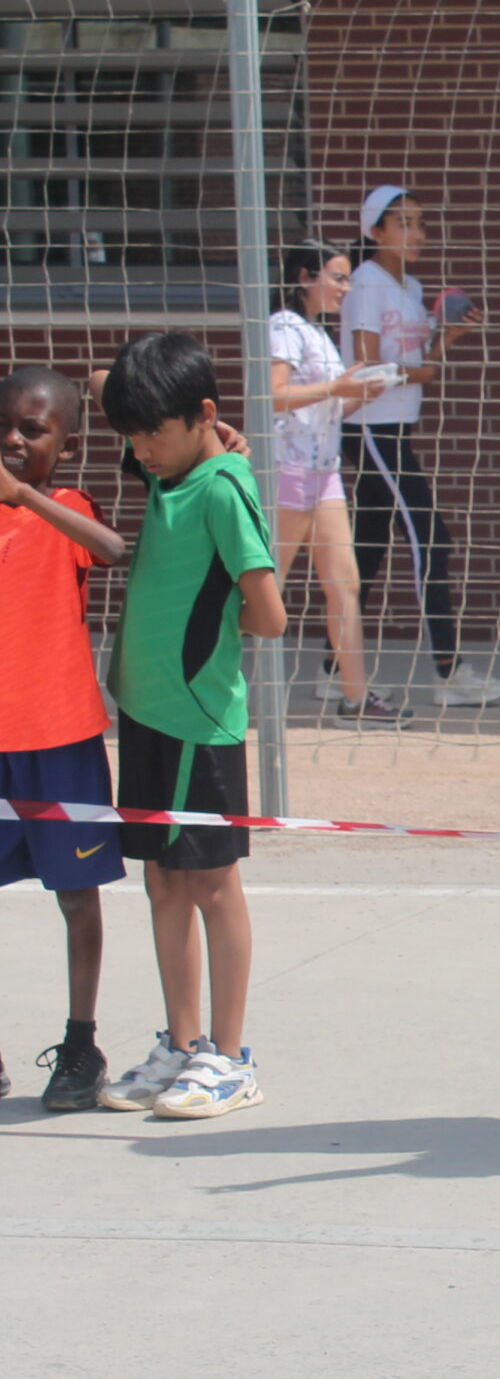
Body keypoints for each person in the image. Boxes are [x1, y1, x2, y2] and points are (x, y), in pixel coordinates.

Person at [89, 333, 286, 1120]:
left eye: (154, 432)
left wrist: (208, 633)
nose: (140, 449)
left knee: (212, 881)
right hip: (144, 713)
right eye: (131, 434)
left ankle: (231, 1059)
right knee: (162, 878)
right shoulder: (166, 467)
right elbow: (100, 379)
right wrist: (190, 421)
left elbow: (269, 614)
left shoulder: (222, 488)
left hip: (199, 722)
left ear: (200, 414)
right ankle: (181, 1042)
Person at [0, 365, 126, 1111]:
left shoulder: (67, 508)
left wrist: (25, 496)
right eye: (3, 426)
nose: (14, 439)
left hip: (58, 739)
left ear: (67, 446)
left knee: (76, 896)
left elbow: (112, 548)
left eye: (33, 429)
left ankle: (81, 1044)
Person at [341, 183, 500, 708]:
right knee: (431, 539)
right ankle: (449, 672)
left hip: (398, 426)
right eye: (404, 223)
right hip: (370, 429)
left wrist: (447, 340)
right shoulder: (366, 283)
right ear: (375, 232)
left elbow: (420, 360)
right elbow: (366, 367)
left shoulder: (411, 286)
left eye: (420, 222)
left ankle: (333, 669)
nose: (417, 233)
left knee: (367, 549)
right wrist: (420, 372)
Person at [267, 237, 406, 722]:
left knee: (344, 585)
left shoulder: (318, 332)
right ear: (306, 278)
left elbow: (324, 407)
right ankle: (220, 686)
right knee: (264, 587)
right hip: (288, 473)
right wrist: (338, 386)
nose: (347, 288)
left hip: (324, 473)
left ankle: (355, 696)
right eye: (339, 278)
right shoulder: (284, 326)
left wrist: (360, 393)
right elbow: (273, 395)